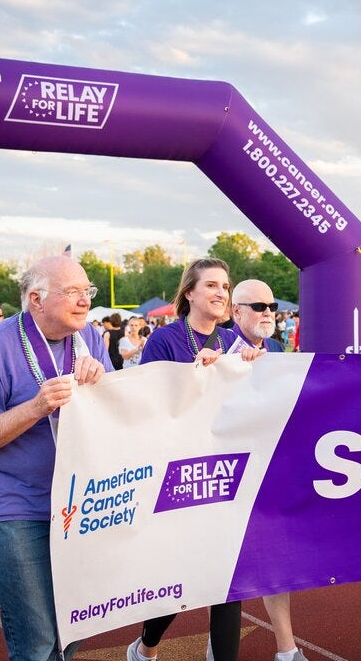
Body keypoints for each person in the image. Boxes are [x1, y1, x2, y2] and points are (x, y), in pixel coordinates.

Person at [0, 256, 111, 661]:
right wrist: (36, 407)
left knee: (76, 625)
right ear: (36, 299)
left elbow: (115, 411)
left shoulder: (90, 338)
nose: (84, 301)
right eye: (73, 292)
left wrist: (103, 383)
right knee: (37, 640)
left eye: (87, 291)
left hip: (80, 503)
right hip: (17, 506)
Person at [132, 258, 261, 661]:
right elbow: (150, 406)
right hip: (178, 473)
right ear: (190, 293)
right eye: (211, 285)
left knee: (227, 582)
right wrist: (194, 375)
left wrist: (254, 371)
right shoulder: (165, 341)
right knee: (179, 577)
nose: (222, 292)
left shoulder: (234, 343)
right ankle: (147, 646)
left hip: (226, 473)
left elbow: (253, 405)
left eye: (225, 286)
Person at [229, 279, 305, 661]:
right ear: (236, 312)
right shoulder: (218, 347)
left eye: (271, 306)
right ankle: (147, 645)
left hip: (269, 468)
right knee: (213, 569)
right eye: (258, 307)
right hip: (226, 473)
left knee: (274, 556)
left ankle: (286, 648)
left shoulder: (275, 347)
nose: (267, 313)